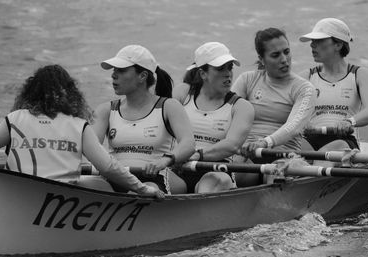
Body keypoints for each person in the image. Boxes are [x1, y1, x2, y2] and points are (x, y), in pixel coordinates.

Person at [0, 64, 164, 198]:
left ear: (31, 91)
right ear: (70, 94)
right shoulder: (78, 125)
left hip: (19, 193)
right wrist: (142, 188)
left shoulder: (15, 118)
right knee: (99, 185)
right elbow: (108, 167)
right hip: (61, 195)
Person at [93, 45, 195, 194]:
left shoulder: (169, 106)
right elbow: (91, 146)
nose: (113, 75)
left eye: (121, 70)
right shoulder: (105, 110)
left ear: (142, 76)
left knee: (138, 192)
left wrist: (165, 160)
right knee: (81, 184)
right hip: (115, 177)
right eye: (114, 70)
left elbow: (188, 144)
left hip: (153, 178)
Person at [232, 28, 316, 186]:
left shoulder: (304, 88)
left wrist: (265, 142)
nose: (284, 59)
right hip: (247, 154)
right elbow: (225, 114)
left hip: (283, 155)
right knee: (220, 172)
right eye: (275, 55)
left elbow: (294, 126)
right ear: (262, 59)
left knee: (275, 173)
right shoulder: (247, 80)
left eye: (286, 52)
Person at [173, 42, 254, 193]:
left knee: (213, 181)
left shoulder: (241, 106)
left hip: (217, 169)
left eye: (230, 67)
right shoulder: (182, 93)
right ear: (203, 73)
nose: (228, 74)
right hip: (178, 167)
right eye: (220, 68)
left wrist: (196, 155)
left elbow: (232, 145)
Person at [299, 18, 368, 152]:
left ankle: (313, 168)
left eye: (319, 41)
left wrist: (349, 122)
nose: (312, 45)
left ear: (338, 45)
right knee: (285, 150)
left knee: (329, 152)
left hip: (343, 140)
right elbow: (287, 111)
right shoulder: (306, 77)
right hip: (310, 139)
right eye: (312, 41)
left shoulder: (359, 74)